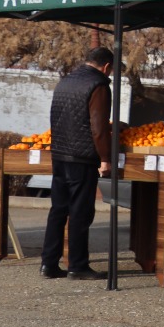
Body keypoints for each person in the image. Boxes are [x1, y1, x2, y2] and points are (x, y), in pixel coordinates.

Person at [40, 46, 114, 280]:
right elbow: (98, 126)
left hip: (59, 153)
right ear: (107, 67)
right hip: (82, 158)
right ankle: (78, 266)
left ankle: (48, 264)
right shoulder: (99, 85)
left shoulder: (66, 81)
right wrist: (105, 158)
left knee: (58, 210)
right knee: (80, 212)